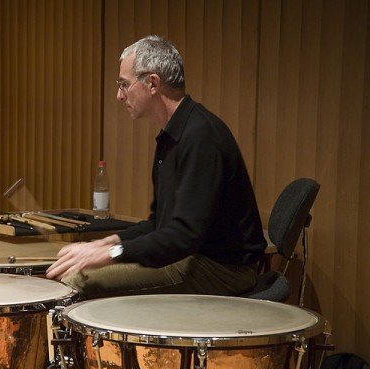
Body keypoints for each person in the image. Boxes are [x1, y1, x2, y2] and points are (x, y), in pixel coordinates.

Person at [46, 35, 267, 299]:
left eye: (124, 85)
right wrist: (108, 242)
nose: (119, 95)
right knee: (76, 271)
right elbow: (160, 223)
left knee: (77, 282)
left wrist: (109, 255)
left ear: (152, 83)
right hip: (194, 257)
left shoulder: (201, 138)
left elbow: (183, 236)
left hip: (222, 269)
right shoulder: (172, 136)